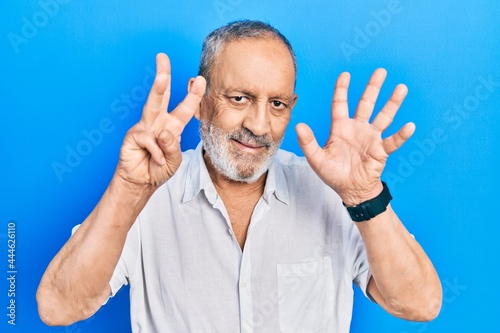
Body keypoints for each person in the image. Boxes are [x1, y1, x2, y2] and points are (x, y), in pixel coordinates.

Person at [37, 20, 442, 332]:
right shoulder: (146, 196)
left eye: (278, 103)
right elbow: (58, 307)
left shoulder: (331, 196)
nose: (260, 125)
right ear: (200, 100)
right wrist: (127, 190)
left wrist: (363, 196)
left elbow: (420, 304)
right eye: (239, 98)